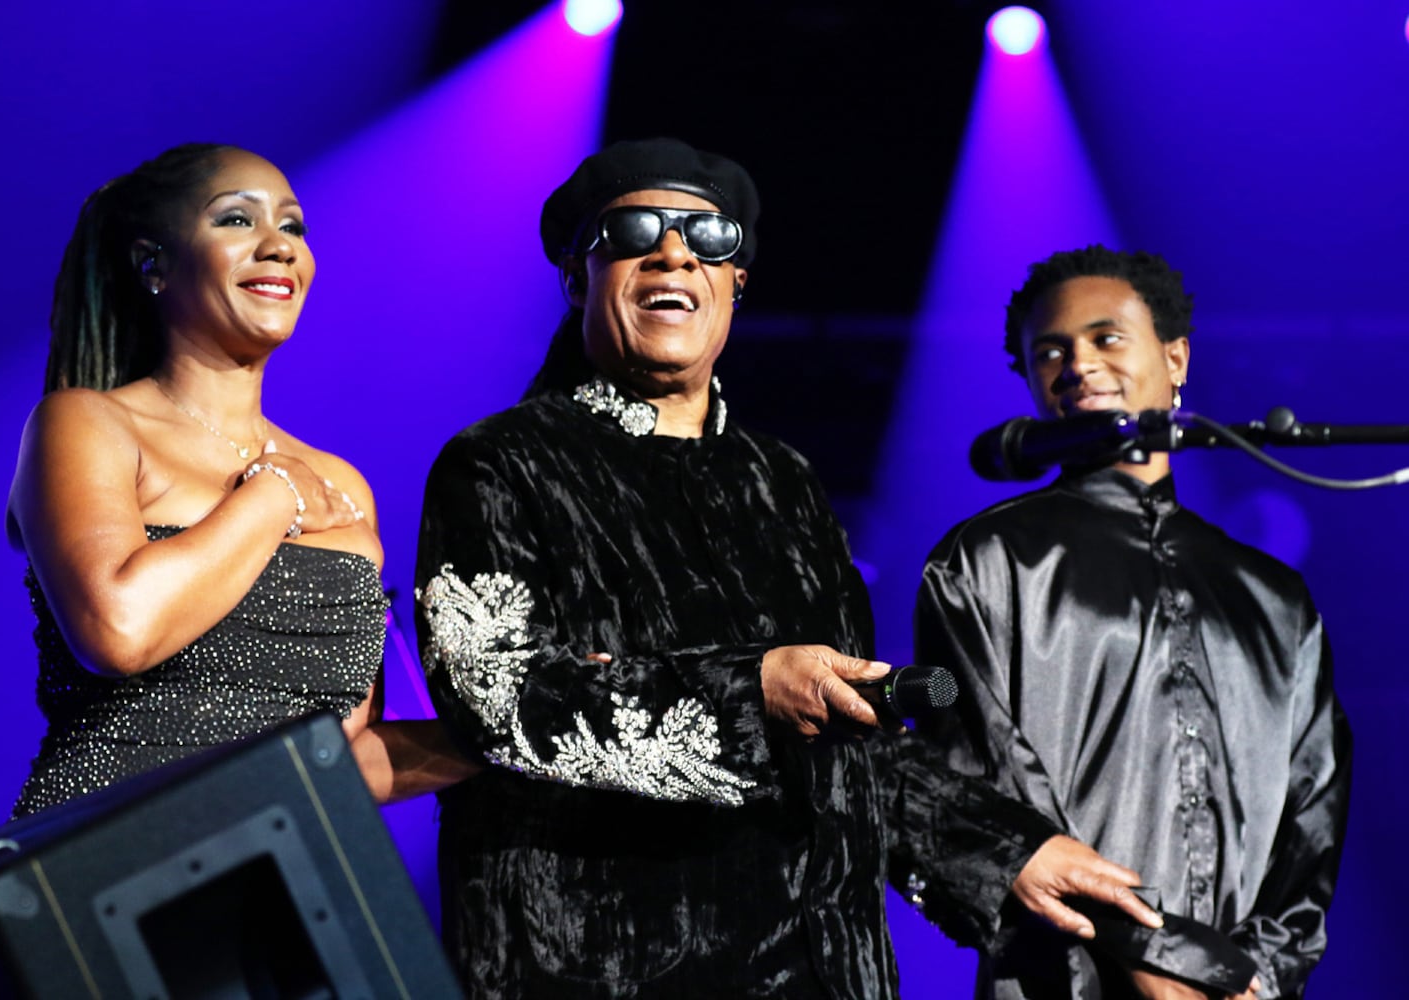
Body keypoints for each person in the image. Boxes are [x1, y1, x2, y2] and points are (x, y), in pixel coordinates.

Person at [413, 138, 1162, 999]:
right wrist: (751, 691)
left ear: (735, 284)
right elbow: (496, 700)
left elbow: (852, 737)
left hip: (822, 965)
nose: (674, 251)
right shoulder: (503, 464)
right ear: (579, 279)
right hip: (601, 969)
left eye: (710, 236)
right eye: (635, 230)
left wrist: (1007, 848)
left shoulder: (784, 482)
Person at [915, 246, 1351, 999]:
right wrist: (1165, 962)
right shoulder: (984, 561)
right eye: (1050, 352)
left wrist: (1257, 977)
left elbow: (1314, 812)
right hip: (1067, 981)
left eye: (1106, 338)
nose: (1078, 365)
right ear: (1029, 382)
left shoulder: (1274, 595)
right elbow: (985, 784)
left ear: (1176, 359)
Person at [8, 143, 469, 816]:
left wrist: (509, 736)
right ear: (154, 264)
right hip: (112, 861)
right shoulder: (88, 424)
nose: (280, 246)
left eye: (293, 226)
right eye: (236, 220)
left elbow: (339, 757)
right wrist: (272, 495)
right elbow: (120, 628)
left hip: (288, 870)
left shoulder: (342, 483)